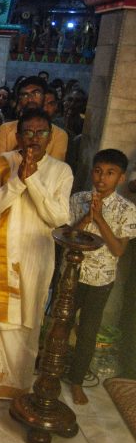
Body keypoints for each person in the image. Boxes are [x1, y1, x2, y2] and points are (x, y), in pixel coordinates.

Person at [0, 108, 73, 399]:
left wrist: (32, 180)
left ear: (51, 137)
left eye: (41, 133)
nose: (34, 138)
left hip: (33, 259)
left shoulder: (61, 171)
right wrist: (17, 181)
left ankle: (17, 387)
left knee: (26, 321)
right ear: (18, 135)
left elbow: (58, 218)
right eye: (28, 132)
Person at [67, 149, 136, 404]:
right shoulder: (78, 198)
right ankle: (51, 367)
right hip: (73, 273)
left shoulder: (127, 209)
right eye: (98, 171)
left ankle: (76, 381)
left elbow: (118, 249)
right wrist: (87, 217)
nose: (101, 178)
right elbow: (68, 237)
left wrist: (101, 219)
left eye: (110, 173)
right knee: (61, 321)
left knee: (88, 329)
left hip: (100, 279)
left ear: (120, 178)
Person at [0, 76, 68, 161]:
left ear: (44, 97)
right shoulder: (6, 130)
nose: (30, 99)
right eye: (25, 95)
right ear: (19, 100)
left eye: (36, 93)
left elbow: (54, 169)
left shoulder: (59, 135)